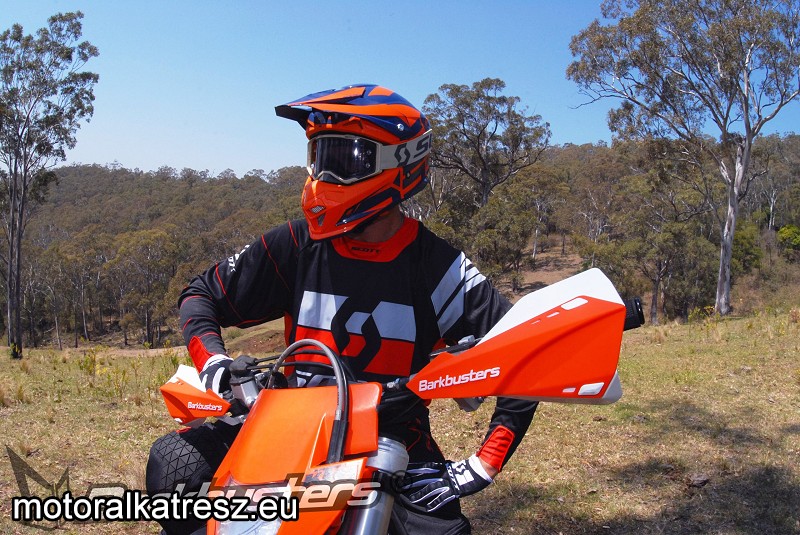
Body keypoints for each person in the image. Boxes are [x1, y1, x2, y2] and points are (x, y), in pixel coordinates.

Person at [146, 84, 538, 535]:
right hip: (288, 424)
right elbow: (201, 293)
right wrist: (214, 361)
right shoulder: (297, 244)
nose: (324, 177)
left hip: (394, 436)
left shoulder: (438, 266)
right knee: (172, 469)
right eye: (320, 158)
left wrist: (482, 465)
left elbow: (523, 350)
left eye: (345, 160)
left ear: (400, 163)